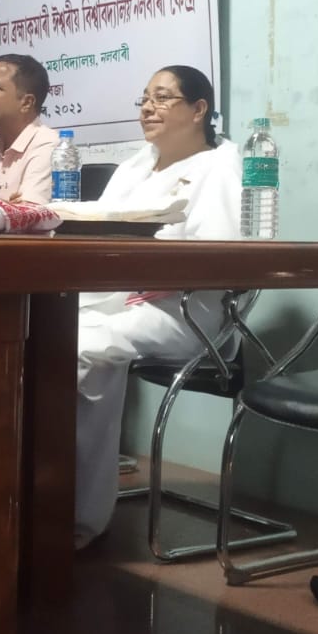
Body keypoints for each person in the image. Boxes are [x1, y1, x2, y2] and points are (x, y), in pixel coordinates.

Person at [76, 65, 241, 549]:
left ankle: (77, 518)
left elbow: (224, 259)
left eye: (163, 98)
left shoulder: (221, 167)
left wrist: (161, 276)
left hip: (186, 313)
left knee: (84, 347)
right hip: (117, 296)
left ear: (199, 109)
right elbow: (98, 231)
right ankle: (30, 489)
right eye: (145, 98)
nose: (149, 107)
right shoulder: (135, 165)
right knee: (40, 327)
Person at [0, 54, 59, 206]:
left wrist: (4, 210)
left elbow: (27, 214)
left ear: (26, 103)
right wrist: (8, 207)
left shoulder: (50, 146)